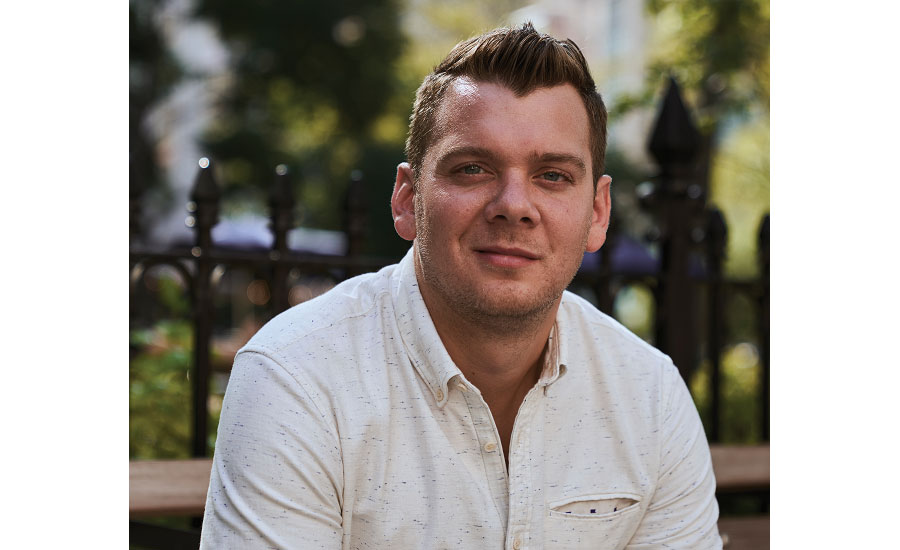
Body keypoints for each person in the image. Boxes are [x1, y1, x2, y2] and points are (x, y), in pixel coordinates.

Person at [200, 22, 721, 549]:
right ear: (408, 200)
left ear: (598, 212)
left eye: (552, 175)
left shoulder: (649, 394)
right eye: (473, 168)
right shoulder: (297, 378)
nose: (514, 206)